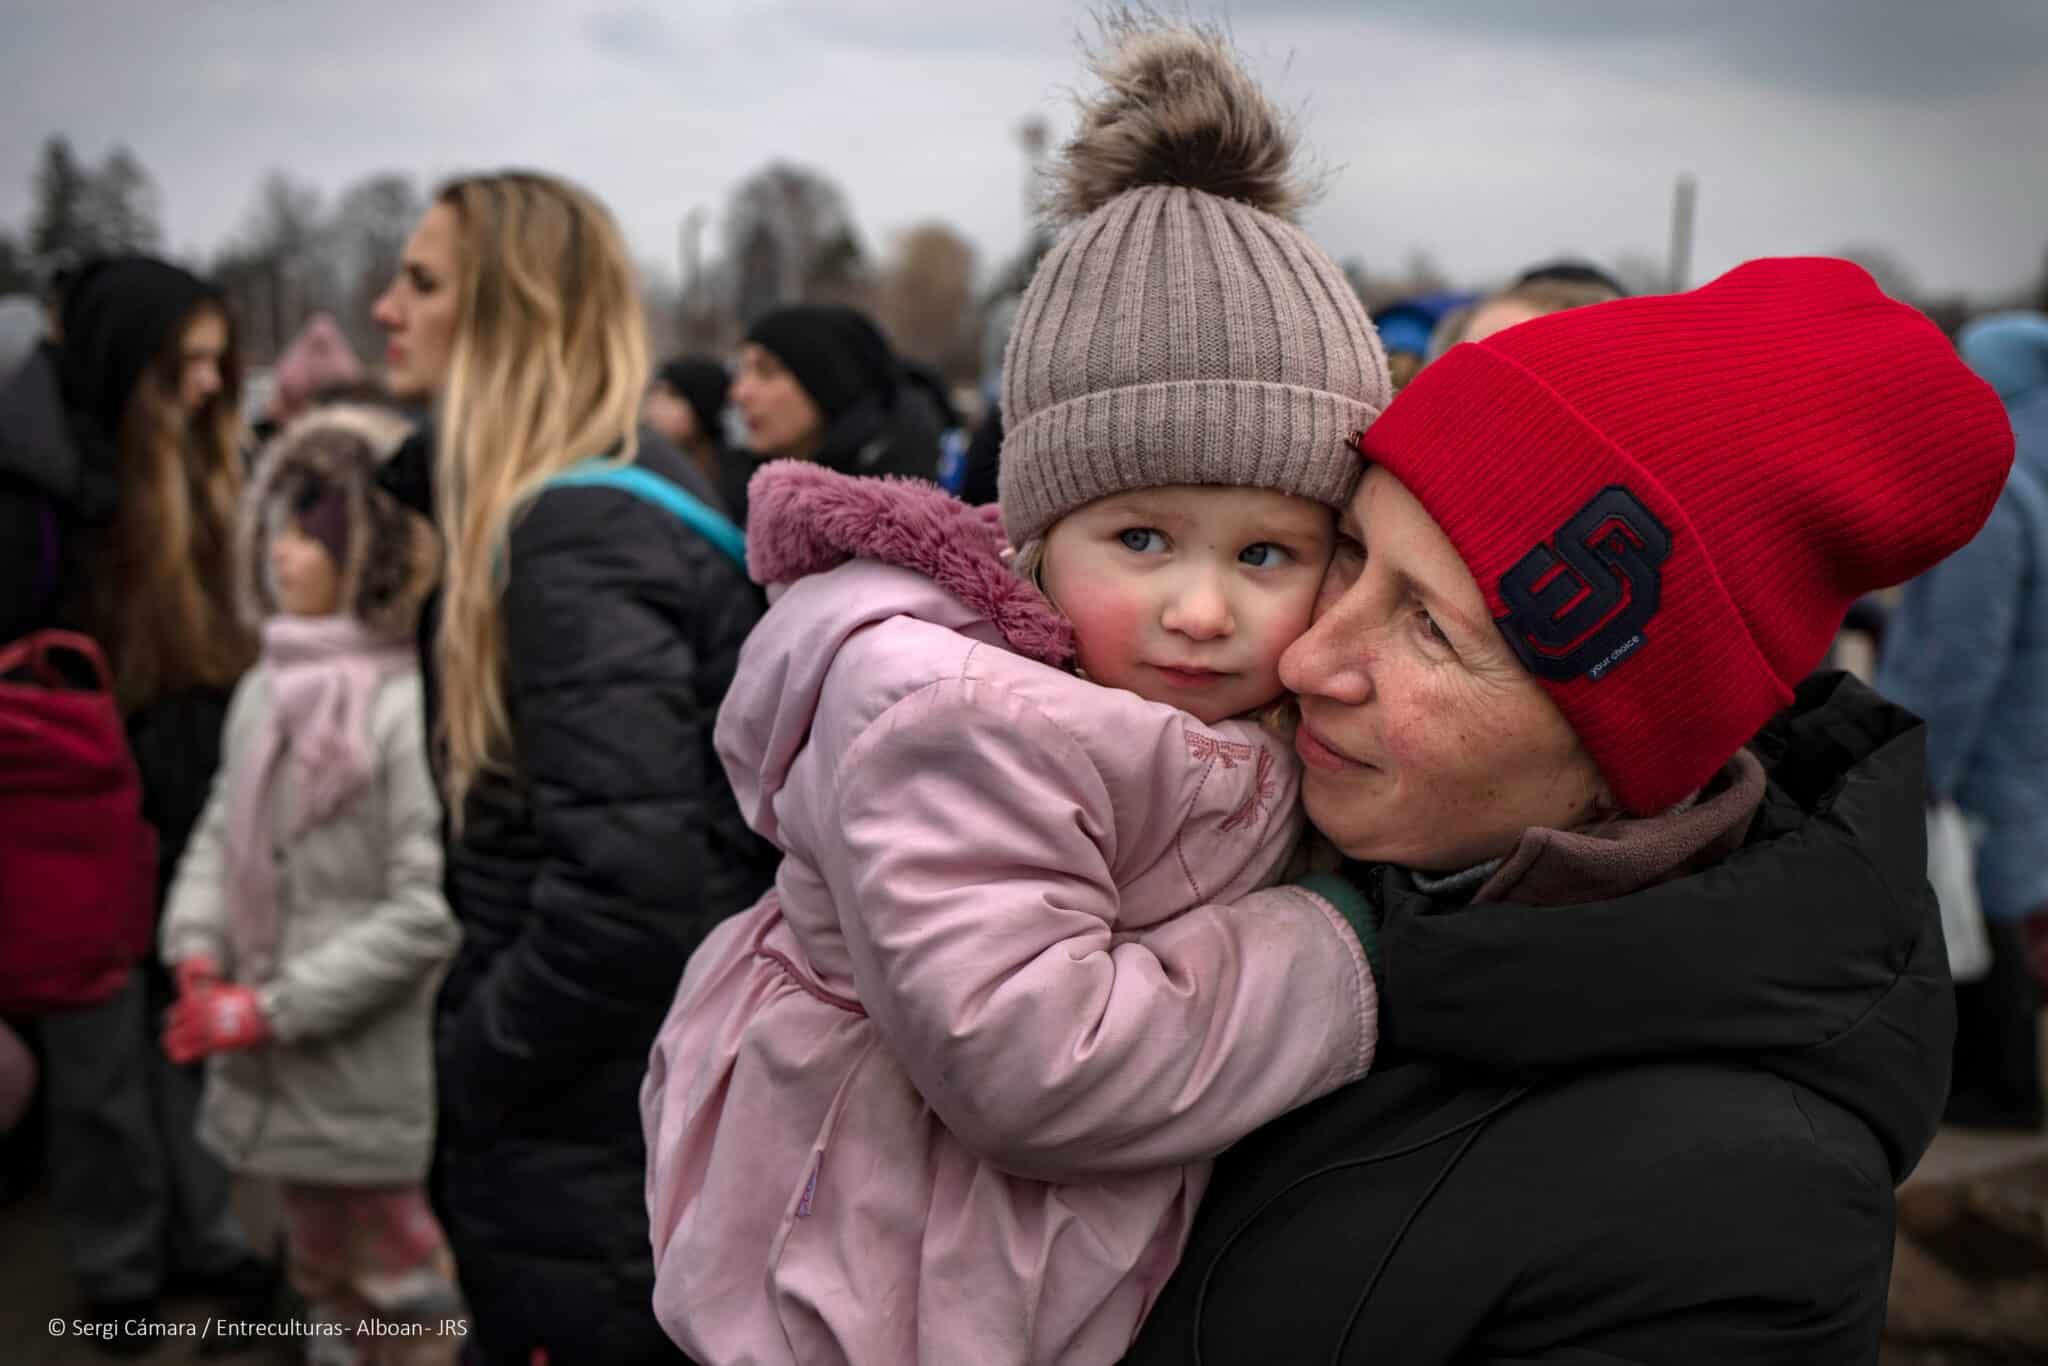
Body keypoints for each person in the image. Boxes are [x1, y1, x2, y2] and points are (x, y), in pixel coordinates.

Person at [642, 22, 1391, 1366]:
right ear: (1040, 537)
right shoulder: (952, 718)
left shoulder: (1201, 706)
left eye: (1265, 552)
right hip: (874, 1286)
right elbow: (1033, 1062)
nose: (1203, 607)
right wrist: (1331, 945)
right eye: (1143, 539)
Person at [1122, 256, 2014, 1364]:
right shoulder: (1265, 847)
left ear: (1625, 758)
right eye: (1347, 553)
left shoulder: (1740, 1227)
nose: (1309, 655)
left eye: (1429, 629)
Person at [369, 170, 777, 1364]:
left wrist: (472, 1060)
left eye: (423, 280)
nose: (388, 307)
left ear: (516, 311)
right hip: (599, 1140)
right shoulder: (597, 504)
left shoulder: (579, 532)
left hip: (590, 1157)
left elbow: (631, 897)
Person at [0, 256, 273, 1349]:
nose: (210, 386)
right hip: (74, 807)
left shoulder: (204, 461)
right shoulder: (36, 489)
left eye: (219, 361)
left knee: (191, 1025)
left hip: (189, 788)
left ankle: (206, 1235)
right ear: (129, 361)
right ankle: (118, 1271)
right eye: (187, 363)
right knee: (97, 1056)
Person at [158, 401, 464, 1364]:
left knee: (405, 1301)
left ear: (368, 556)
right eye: (280, 527)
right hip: (276, 1069)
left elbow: (426, 909)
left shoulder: (405, 707)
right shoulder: (266, 688)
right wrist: (198, 948)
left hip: (363, 1075)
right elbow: (219, 829)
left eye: (310, 534)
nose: (281, 554)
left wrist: (274, 1007)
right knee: (319, 1282)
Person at [1876, 311, 2048, 1132]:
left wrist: (1926, 758)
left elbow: (1964, 652)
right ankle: (1999, 1078)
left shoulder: (1992, 493)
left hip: (1981, 747)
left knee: (1983, 908)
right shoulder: (2021, 480)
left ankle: (2003, 1089)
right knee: (1990, 902)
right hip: (2010, 738)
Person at [729, 302, 942, 494]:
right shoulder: (743, 489)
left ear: (828, 385)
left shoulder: (902, 519)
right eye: (742, 370)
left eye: (766, 372)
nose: (739, 393)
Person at [643, 354, 737, 506]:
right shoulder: (646, 474)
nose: (655, 407)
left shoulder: (742, 481)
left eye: (673, 395)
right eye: (654, 394)